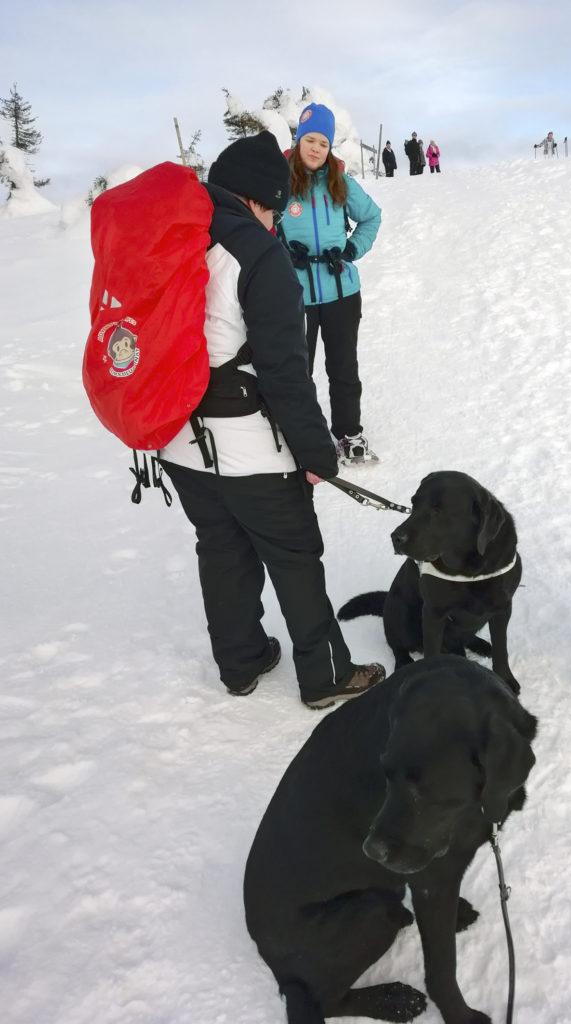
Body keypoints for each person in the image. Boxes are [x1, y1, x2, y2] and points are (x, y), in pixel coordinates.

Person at [158, 131, 385, 707]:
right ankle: (326, 675)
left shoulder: (174, 239)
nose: (276, 221)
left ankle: (240, 662)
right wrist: (316, 453)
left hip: (177, 440)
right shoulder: (260, 256)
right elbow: (285, 373)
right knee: (293, 555)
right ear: (258, 200)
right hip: (250, 447)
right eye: (276, 209)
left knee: (221, 548)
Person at [280, 103, 382, 463]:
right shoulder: (280, 181)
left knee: (343, 367)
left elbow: (372, 217)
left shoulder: (341, 182)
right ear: (298, 141)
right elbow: (258, 225)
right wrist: (279, 257)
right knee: (297, 371)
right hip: (296, 295)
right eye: (309, 140)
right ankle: (304, 438)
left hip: (342, 292)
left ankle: (349, 434)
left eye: (323, 143)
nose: (315, 149)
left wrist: (353, 248)